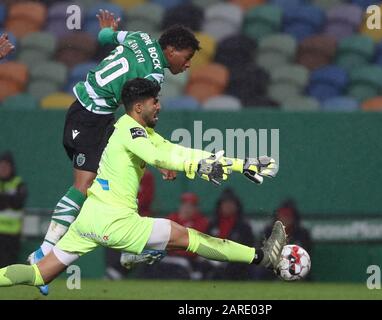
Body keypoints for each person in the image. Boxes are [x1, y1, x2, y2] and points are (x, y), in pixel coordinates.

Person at [0, 78, 283, 290]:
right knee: (189, 238)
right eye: (154, 102)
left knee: (38, 273)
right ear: (139, 106)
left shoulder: (140, 130)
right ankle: (262, 257)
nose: (159, 106)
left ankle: (142, 252)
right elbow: (155, 155)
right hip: (115, 222)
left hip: (89, 220)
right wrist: (195, 167)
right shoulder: (130, 130)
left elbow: (176, 152)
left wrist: (239, 163)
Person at [27, 9, 195, 295]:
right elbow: (136, 120)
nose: (188, 64)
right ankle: (43, 252)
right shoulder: (154, 76)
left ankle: (128, 249)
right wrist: (159, 158)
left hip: (93, 115)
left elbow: (107, 35)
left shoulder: (140, 37)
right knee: (84, 185)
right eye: (187, 57)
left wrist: (107, 30)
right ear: (171, 49)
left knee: (122, 176)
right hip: (89, 118)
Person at [104, 168, 157, 280]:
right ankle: (113, 271)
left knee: (138, 248)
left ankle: (119, 272)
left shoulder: (146, 175)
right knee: (109, 239)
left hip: (139, 218)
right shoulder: (120, 172)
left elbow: (147, 199)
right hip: (120, 217)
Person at [206, 188, 255, 280]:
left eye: (230, 203)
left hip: (235, 261)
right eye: (225, 203)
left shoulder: (243, 226)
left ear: (236, 206)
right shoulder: (213, 224)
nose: (227, 206)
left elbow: (248, 247)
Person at [257, 199, 312, 280]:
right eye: (283, 214)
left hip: (296, 272)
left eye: (289, 215)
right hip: (270, 273)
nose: (286, 218)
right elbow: (261, 256)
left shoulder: (302, 234)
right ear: (277, 216)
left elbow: (307, 257)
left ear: (294, 217)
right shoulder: (269, 232)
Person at [0, 152, 27, 267]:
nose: (3, 170)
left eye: (6, 167)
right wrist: (8, 199)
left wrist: (4, 198)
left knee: (8, 267)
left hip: (12, 234)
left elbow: (17, 202)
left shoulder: (18, 183)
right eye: (1, 167)